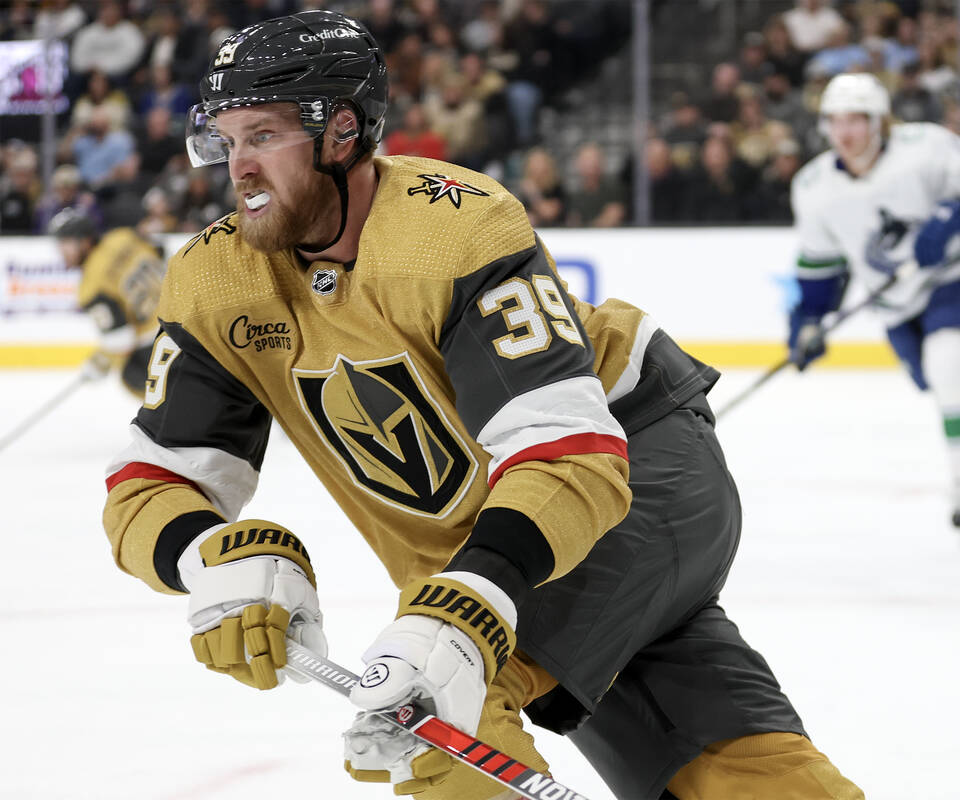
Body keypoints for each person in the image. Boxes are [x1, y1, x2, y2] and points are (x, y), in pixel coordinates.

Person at [101, 12, 863, 800]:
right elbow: (150, 480)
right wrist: (211, 556)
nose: (239, 166)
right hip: (501, 534)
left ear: (341, 134)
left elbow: (566, 452)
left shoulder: (449, 227)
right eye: (225, 141)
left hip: (635, 468)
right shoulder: (216, 279)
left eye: (261, 135)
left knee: (435, 717)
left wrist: (468, 606)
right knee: (726, 761)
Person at [786, 73, 960, 541]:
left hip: (953, 279)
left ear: (880, 121)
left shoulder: (925, 147)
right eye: (835, 121)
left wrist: (953, 222)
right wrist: (808, 321)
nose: (845, 132)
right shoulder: (813, 187)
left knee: (951, 364)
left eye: (857, 119)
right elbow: (820, 266)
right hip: (895, 306)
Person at [48, 209, 163, 396]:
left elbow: (120, 339)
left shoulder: (90, 287)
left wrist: (100, 361)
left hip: (159, 344)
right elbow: (161, 252)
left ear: (84, 240)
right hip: (189, 317)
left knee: (130, 376)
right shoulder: (123, 236)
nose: (62, 252)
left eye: (65, 243)